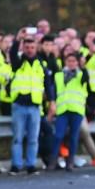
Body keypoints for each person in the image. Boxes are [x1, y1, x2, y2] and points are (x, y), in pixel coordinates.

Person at [9, 31, 56, 174]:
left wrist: (52, 102)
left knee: (33, 139)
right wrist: (18, 39)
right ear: (23, 48)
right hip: (19, 106)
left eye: (32, 47)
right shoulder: (18, 62)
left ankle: (30, 165)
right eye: (27, 47)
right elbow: (12, 54)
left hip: (35, 107)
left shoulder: (41, 64)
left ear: (36, 48)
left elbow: (47, 84)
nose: (29, 50)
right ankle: (16, 165)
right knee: (17, 138)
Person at [49, 53, 89, 171]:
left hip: (76, 109)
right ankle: (53, 160)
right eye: (69, 61)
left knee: (73, 137)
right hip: (62, 109)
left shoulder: (81, 75)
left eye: (73, 61)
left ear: (77, 63)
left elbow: (86, 78)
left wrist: (83, 66)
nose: (71, 63)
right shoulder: (58, 76)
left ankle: (70, 162)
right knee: (58, 135)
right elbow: (54, 91)